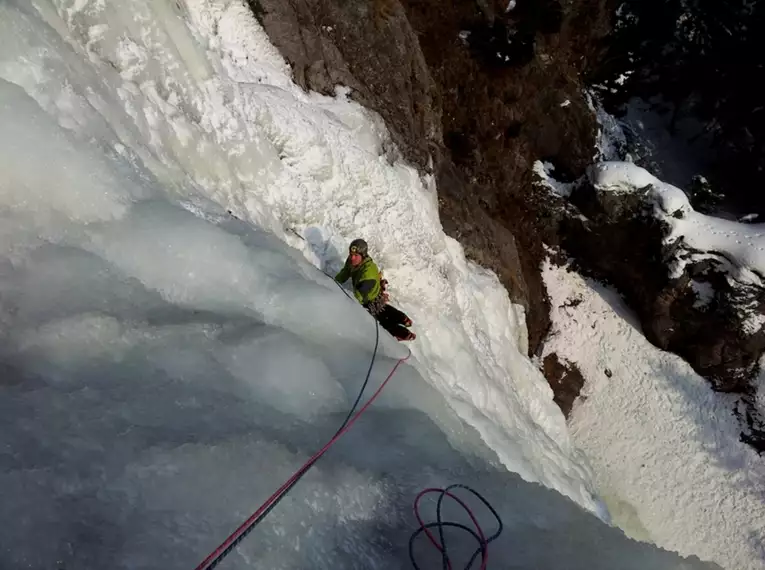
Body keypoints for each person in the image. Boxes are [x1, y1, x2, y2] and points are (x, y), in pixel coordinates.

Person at [335, 238, 416, 341]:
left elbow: (358, 298)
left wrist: (347, 306)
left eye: (356, 256)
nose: (352, 258)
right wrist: (334, 282)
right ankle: (402, 318)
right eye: (351, 254)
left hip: (371, 299)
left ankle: (403, 333)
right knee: (383, 311)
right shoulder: (353, 261)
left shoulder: (368, 275)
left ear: (363, 256)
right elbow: (346, 272)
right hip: (369, 293)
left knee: (380, 322)